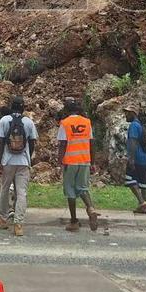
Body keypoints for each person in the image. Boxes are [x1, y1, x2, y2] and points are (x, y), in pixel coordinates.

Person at [0, 96, 38, 237]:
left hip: (8, 161)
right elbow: (32, 143)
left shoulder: (4, 121)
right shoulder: (29, 122)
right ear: (23, 108)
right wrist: (28, 159)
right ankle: (18, 224)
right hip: (23, 163)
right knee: (22, 192)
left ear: (11, 107)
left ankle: (3, 219)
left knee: (4, 189)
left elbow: (0, 142)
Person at [56, 97, 99, 232]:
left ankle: (74, 221)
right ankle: (90, 209)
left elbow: (63, 144)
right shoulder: (87, 122)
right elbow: (91, 143)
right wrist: (92, 162)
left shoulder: (65, 123)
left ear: (66, 109)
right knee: (83, 188)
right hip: (84, 160)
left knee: (70, 191)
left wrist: (60, 162)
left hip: (70, 161)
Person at [123, 105, 146, 214]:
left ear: (133, 113)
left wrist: (131, 159)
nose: (126, 115)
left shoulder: (134, 126)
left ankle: (142, 202)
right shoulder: (141, 125)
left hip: (137, 158)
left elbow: (132, 142)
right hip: (144, 158)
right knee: (143, 183)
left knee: (129, 179)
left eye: (128, 113)